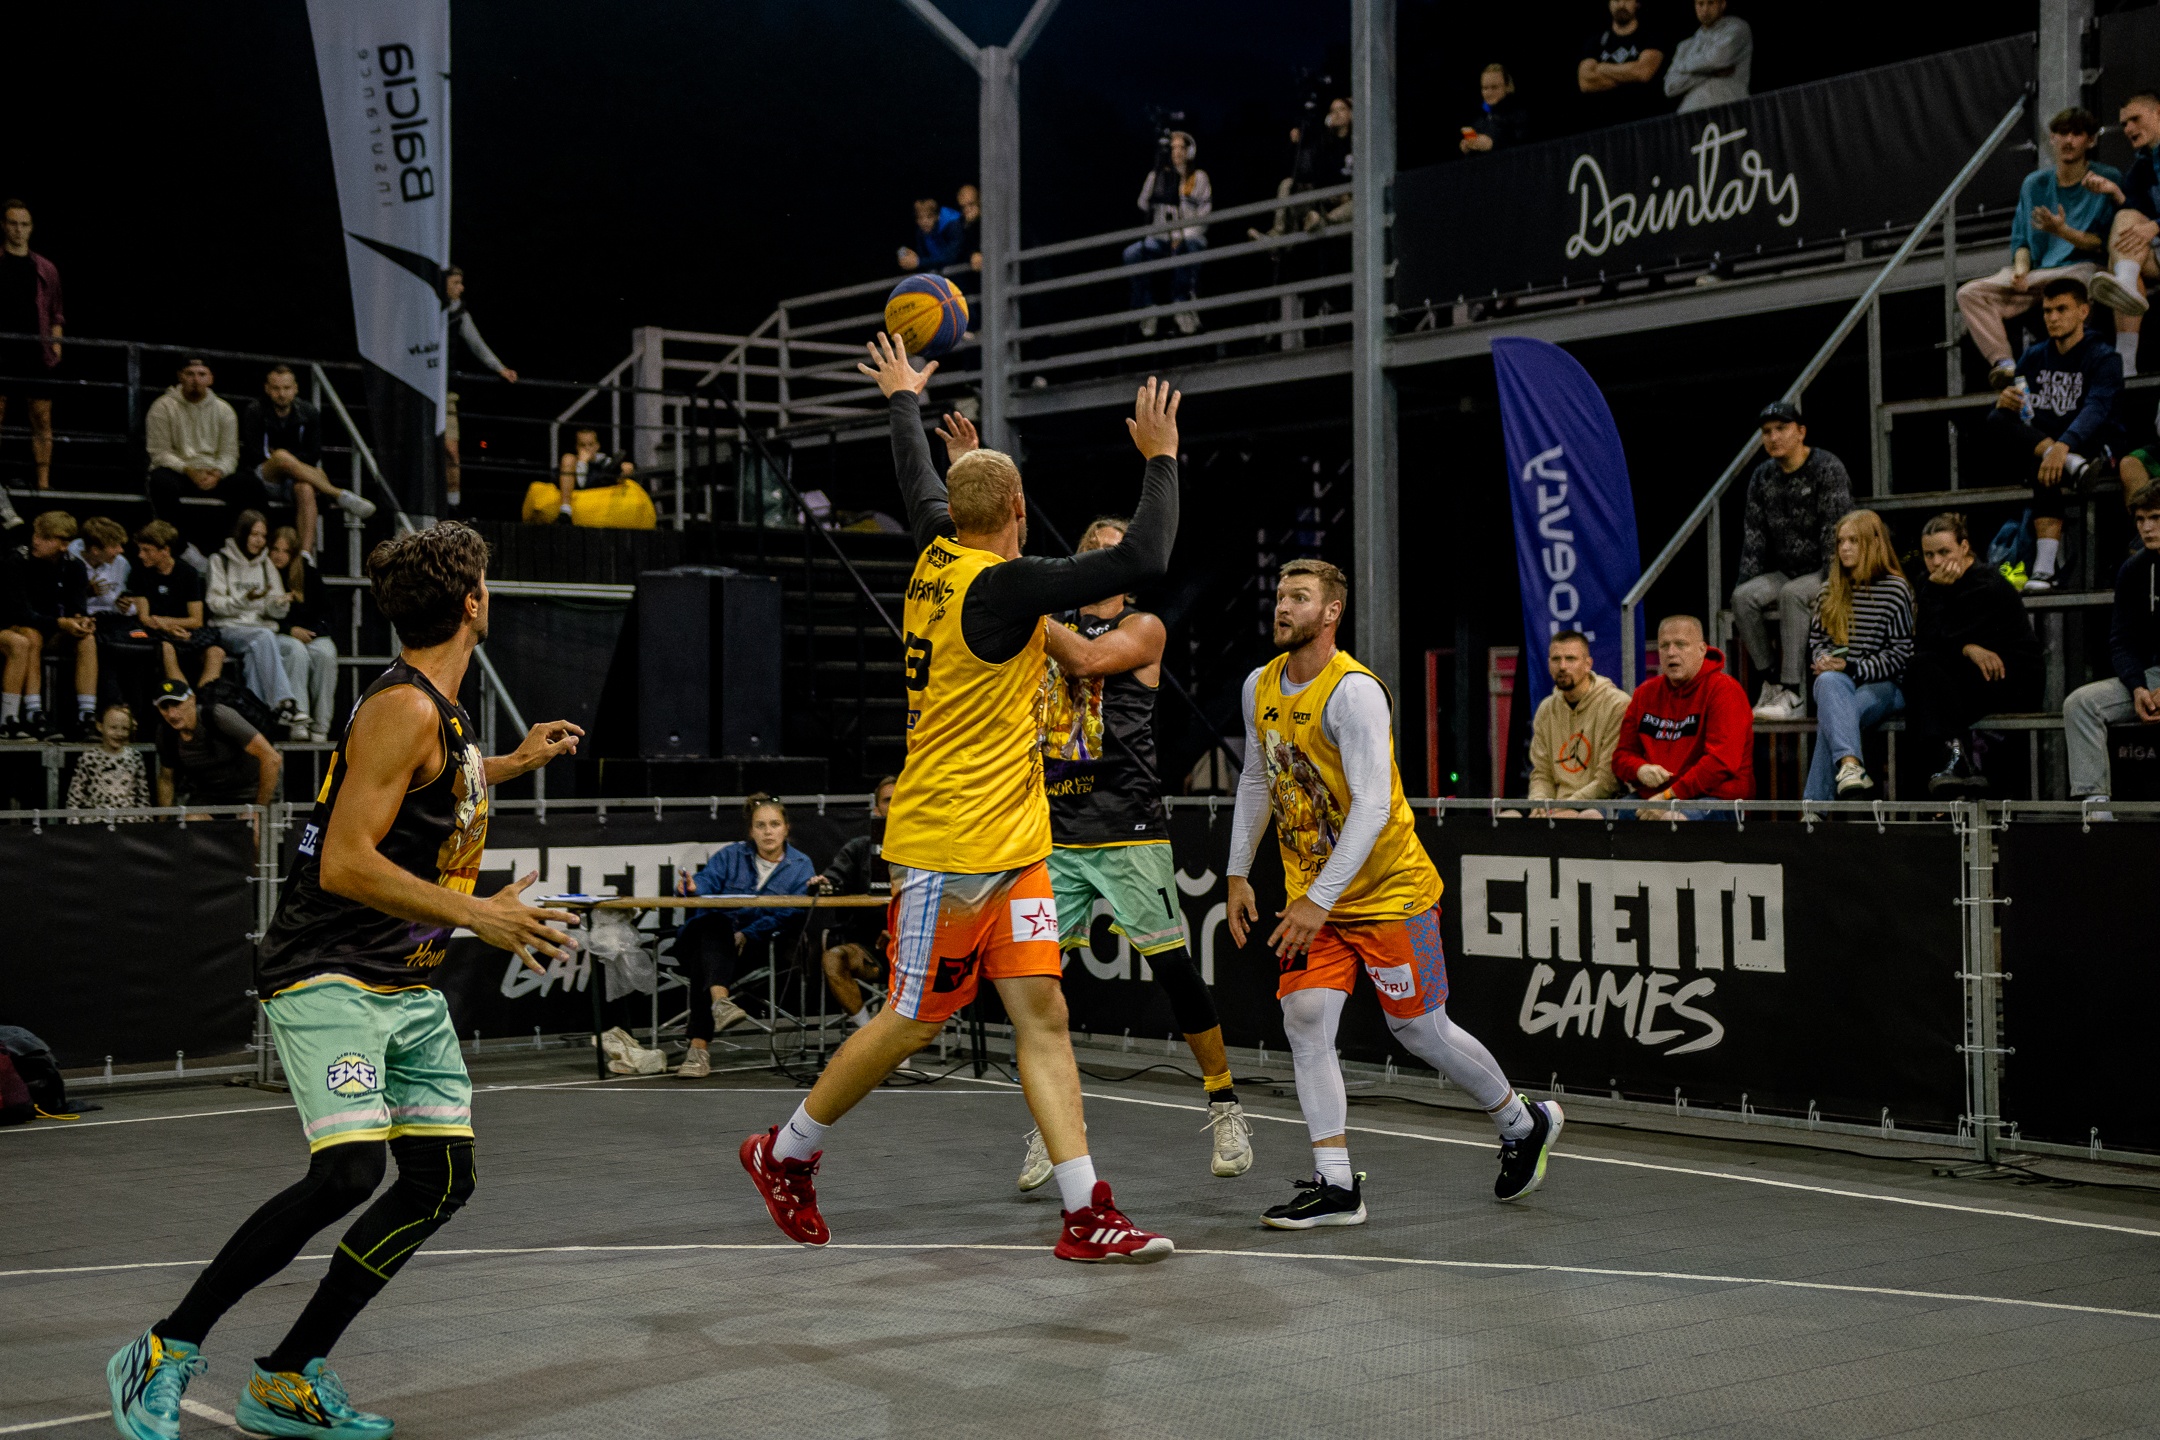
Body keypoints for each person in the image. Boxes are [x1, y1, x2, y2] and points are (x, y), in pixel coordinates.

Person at [107, 523, 583, 1440]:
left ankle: (288, 1375)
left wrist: (511, 764)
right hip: (332, 970)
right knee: (349, 1173)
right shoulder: (404, 707)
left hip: (403, 978)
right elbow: (345, 862)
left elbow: (426, 790)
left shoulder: (439, 709)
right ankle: (163, 1348)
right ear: (474, 602)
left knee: (440, 1179)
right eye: (486, 583)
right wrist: (478, 912)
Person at [735, 333, 1182, 1265]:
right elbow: (1144, 552)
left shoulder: (939, 552)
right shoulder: (1005, 586)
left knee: (1043, 1013)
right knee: (913, 1020)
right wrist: (1160, 458)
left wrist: (905, 400)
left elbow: (920, 487)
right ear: (1019, 509)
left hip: (1014, 844)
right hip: (948, 846)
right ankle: (786, 1152)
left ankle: (1085, 1210)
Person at [1227, 558, 1561, 1228]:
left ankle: (1522, 1123)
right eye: (1281, 595)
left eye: (1300, 597)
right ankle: (1336, 1185)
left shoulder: (1353, 693)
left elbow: (1373, 806)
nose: (1283, 607)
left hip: (1386, 893)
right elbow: (1258, 779)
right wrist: (1238, 869)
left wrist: (1318, 899)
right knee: (1306, 1020)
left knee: (1420, 1031)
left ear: (1332, 612)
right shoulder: (1258, 685)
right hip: (1316, 897)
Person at [1016, 509, 1254, 1182]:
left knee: (1174, 972)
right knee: (1036, 985)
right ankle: (1053, 1127)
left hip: (1128, 828)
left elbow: (1089, 660)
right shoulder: (1048, 622)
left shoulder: (1143, 627)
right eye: (1093, 547)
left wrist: (1016, 601)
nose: (1103, 556)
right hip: (1055, 833)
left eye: (1116, 549)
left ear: (1133, 568)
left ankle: (1225, 1105)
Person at [1957, 109, 2118, 390]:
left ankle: (2077, 367)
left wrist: (2062, 231)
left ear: (2090, 140)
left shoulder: (2106, 178)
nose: (2068, 140)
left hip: (2082, 270)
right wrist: (2021, 271)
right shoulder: (2034, 183)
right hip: (2038, 275)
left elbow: (2101, 244)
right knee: (1970, 293)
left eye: (2076, 134)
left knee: (2081, 283)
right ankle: (2004, 364)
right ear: (2052, 139)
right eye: (2062, 133)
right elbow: (2021, 243)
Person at [1986, 276, 2122, 594]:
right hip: (2052, 449)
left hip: (2091, 444)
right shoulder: (2034, 356)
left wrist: (2065, 445)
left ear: (2083, 311)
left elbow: (2097, 409)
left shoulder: (2104, 357)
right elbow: (2020, 409)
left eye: (2062, 309)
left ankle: (2044, 568)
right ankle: (2067, 464)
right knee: (1995, 418)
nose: (2053, 318)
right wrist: (2005, 401)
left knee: (2044, 465)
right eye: (2047, 311)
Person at [671, 794, 815, 1079]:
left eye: (774, 824)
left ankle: (699, 1049)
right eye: (760, 825)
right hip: (709, 937)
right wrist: (691, 887)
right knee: (714, 925)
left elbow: (792, 914)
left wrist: (747, 933)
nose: (768, 832)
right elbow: (705, 882)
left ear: (786, 828)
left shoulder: (801, 865)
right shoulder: (730, 855)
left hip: (757, 947)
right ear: (751, 831)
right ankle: (720, 1002)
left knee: (705, 956)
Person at [1733, 401, 1855, 719]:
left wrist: (1834, 583)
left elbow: (1836, 530)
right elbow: (1754, 537)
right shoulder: (1762, 476)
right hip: (1786, 570)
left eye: (1781, 429)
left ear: (1800, 432)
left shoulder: (1826, 467)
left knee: (1793, 594)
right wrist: (1748, 579)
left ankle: (1794, 691)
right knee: (1742, 597)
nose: (1773, 437)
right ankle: (1772, 681)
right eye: (1766, 432)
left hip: (1825, 569)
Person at [1908, 513, 2042, 795]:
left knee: (1926, 676)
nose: (1936, 562)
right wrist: (1966, 647)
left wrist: (1962, 646)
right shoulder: (1930, 583)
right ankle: (1952, 762)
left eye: (1944, 552)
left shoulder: (1987, 583)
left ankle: (1954, 760)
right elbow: (1926, 642)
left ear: (1964, 547)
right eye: (1929, 555)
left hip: (2010, 673)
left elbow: (1948, 639)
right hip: (1966, 670)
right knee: (1920, 669)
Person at [1804, 510, 1914, 801]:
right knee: (1827, 682)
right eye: (1841, 541)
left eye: (1853, 540)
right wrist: (1825, 660)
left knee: (1837, 715)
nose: (1845, 548)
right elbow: (1818, 642)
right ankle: (1850, 767)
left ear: (1873, 542)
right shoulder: (1829, 591)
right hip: (1840, 680)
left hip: (1885, 684)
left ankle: (1813, 810)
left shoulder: (1895, 589)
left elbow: (1901, 654)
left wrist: (1854, 667)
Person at [2064, 482, 2160, 807]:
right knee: (2080, 704)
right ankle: (2097, 811)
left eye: (2156, 518)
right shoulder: (2133, 570)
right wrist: (2137, 687)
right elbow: (2121, 640)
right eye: (2141, 519)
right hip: (2151, 677)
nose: (2147, 528)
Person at [1612, 615, 1755, 818]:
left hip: (1715, 796)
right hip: (1655, 796)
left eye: (1680, 644)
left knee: (1671, 819)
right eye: (1664, 646)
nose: (1671, 652)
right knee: (1603, 818)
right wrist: (1639, 769)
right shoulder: (1644, 693)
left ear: (1702, 649)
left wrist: (1668, 796)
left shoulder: (1725, 690)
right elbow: (1621, 756)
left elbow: (1720, 763)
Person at [240, 366, 375, 554]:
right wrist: (282, 458)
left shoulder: (308, 412)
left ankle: (305, 555)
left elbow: (313, 454)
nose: (281, 394)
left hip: (296, 479)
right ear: (267, 389)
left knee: (305, 488)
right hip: (265, 477)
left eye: (286, 388)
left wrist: (288, 460)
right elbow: (254, 453)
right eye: (276, 388)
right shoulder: (255, 411)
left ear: (295, 388)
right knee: (284, 459)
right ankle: (337, 493)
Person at [2080, 92, 2160, 376]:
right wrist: (2114, 192)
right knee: (2124, 229)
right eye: (2124, 123)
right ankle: (2126, 364)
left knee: (2120, 261)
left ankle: (2125, 359)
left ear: (2158, 114)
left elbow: (2149, 224)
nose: (2128, 129)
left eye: (2135, 119)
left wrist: (2156, 225)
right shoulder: (2142, 164)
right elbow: (2134, 214)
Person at [146, 358, 253, 563]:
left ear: (210, 378)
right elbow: (159, 453)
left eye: (201, 374)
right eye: (190, 374)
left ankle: (238, 548)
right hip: (180, 471)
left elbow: (230, 454)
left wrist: (218, 472)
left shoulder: (224, 410)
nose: (196, 380)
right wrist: (188, 470)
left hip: (212, 472)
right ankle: (180, 547)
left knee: (248, 485)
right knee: (159, 481)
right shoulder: (162, 407)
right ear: (180, 377)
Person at [810, 775, 897, 1027]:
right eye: (888, 800)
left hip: (914, 946)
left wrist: (899, 933)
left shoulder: (928, 848)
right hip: (868, 947)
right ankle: (868, 1034)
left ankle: (902, 1038)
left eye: (901, 799)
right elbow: (834, 878)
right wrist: (824, 883)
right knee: (833, 959)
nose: (895, 805)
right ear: (876, 810)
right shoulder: (859, 848)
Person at [206, 510, 300, 725]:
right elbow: (214, 604)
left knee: (292, 648)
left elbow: (273, 609)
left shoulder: (266, 564)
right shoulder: (220, 560)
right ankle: (283, 703)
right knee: (263, 637)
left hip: (260, 630)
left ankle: (258, 718)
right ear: (242, 533)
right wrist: (244, 600)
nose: (259, 541)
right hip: (229, 628)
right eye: (254, 534)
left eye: (263, 536)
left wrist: (278, 605)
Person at [1525, 629, 1629, 815]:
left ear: (1588, 664)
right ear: (1548, 664)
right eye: (1556, 659)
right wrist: (1539, 803)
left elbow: (1608, 780)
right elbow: (1541, 774)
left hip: (1601, 805)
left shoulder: (1616, 704)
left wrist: (1561, 808)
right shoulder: (1546, 709)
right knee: (1507, 818)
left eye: (1570, 659)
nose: (1562, 666)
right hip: (1557, 807)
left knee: (1572, 818)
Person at [14, 510, 99, 736]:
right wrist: (61, 623)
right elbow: (21, 613)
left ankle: (87, 715)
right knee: (32, 635)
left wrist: (82, 621)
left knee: (87, 639)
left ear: (64, 544)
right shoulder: (19, 560)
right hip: (22, 626)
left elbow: (78, 607)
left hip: (56, 628)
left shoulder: (75, 566)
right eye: (36, 534)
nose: (35, 541)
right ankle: (34, 712)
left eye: (44, 538)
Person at [119, 520, 222, 706]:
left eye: (147, 550)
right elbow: (145, 618)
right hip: (157, 633)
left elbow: (196, 620)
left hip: (183, 631)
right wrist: (168, 628)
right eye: (140, 550)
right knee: (167, 649)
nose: (141, 555)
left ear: (165, 550)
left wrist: (169, 623)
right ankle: (186, 702)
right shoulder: (139, 573)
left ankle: (204, 701)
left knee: (216, 652)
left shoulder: (188, 573)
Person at [0, 198, 63, 494]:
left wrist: (56, 343)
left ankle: (44, 483)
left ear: (31, 228)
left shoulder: (45, 268)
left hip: (35, 349)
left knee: (41, 417)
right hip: (3, 349)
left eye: (24, 224)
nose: (18, 230)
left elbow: (56, 311)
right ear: (3, 225)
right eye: (13, 223)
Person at [1123, 131, 1212, 337]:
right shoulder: (1158, 175)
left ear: (1189, 151)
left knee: (1190, 247)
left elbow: (1204, 216)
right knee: (1132, 254)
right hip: (1161, 239)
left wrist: (1182, 236)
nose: (1176, 152)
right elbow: (1143, 204)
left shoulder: (1199, 177)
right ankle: (1148, 308)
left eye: (1181, 147)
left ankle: (1183, 305)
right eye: (1173, 148)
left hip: (1189, 238)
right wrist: (1154, 178)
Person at [443, 266, 518, 510]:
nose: (461, 288)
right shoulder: (425, 311)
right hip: (421, 391)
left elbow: (476, 343)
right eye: (456, 283)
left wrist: (500, 368)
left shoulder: (459, 312)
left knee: (452, 451)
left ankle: (453, 506)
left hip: (446, 392)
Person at [150, 679, 281, 809]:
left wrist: (259, 809)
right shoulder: (166, 733)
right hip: (209, 795)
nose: (172, 714)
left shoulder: (218, 716)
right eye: (164, 707)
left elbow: (272, 758)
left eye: (177, 704)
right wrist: (163, 819)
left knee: (249, 822)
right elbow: (166, 779)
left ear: (192, 699)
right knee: (192, 820)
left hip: (251, 791)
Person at [269, 526, 338, 743]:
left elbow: (326, 611)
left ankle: (321, 726)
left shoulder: (308, 573)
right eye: (275, 549)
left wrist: (314, 632)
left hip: (310, 633)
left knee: (326, 653)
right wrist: (290, 630)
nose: (279, 556)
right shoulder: (263, 572)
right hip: (279, 632)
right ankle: (299, 721)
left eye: (285, 551)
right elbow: (260, 616)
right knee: (296, 651)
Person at [1254, 97, 1354, 240]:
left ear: (1351, 113)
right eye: (1333, 111)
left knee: (1358, 203)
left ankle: (1323, 222)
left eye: (1342, 109)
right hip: (1325, 199)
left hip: (1351, 200)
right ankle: (1276, 235)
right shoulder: (1324, 142)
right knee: (1287, 184)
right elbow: (1312, 171)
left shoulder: (1358, 141)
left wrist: (1346, 193)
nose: (1337, 114)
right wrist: (1295, 143)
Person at [1577, 0, 1671, 128]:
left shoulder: (1651, 37)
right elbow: (1585, 82)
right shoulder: (1596, 42)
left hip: (1646, 122)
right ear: (1609, 4)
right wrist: (1629, 75)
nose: (1621, 5)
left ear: (1637, 3)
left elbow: (1643, 72)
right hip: (1605, 125)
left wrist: (1602, 68)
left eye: (1626, 0)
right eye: (1616, 0)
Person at [1663, 0, 1751, 114]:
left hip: (1728, 110)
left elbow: (1717, 60)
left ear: (1722, 4)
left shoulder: (1737, 29)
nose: (1705, 10)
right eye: (1700, 4)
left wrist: (1682, 66)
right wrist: (1711, 73)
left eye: (1711, 3)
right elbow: (1670, 87)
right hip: (1689, 114)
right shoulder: (1685, 46)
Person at [66, 702, 149, 815]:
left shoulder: (135, 758)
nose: (119, 733)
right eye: (113, 727)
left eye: (125, 728)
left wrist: (143, 824)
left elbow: (143, 799)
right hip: (96, 821)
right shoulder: (89, 758)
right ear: (100, 726)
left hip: (127, 821)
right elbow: (74, 799)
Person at [68, 514, 131, 629]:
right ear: (95, 550)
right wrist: (85, 593)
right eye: (114, 546)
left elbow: (122, 599)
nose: (121, 550)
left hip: (113, 621)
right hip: (81, 621)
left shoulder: (121, 563)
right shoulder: (68, 562)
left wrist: (124, 605)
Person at [1460, 65, 1532, 154]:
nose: (1489, 93)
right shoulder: (1480, 119)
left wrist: (1493, 143)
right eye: (1485, 88)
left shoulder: (1519, 115)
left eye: (1494, 87)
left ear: (1507, 87)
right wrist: (1469, 148)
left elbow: (1523, 145)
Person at [898, 197, 964, 273]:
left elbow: (950, 257)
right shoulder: (921, 232)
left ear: (937, 216)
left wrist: (919, 262)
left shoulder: (953, 225)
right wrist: (915, 257)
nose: (924, 222)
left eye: (929, 217)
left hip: (961, 271)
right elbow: (924, 258)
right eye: (920, 218)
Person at [955, 185, 983, 273]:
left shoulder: (991, 220)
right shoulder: (960, 224)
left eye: (971, 204)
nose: (967, 210)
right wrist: (971, 255)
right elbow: (959, 251)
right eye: (963, 207)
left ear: (979, 201)